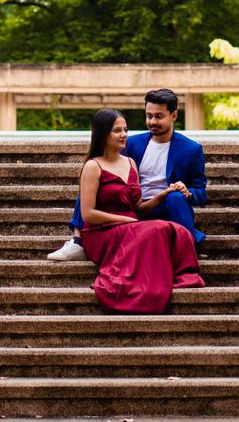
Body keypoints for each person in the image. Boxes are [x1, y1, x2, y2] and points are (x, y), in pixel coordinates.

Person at [48, 88, 208, 261]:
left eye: (159, 116)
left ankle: (186, 247)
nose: (152, 121)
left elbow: (200, 192)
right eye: (149, 115)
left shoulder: (191, 149)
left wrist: (187, 192)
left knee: (175, 198)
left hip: (166, 206)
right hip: (132, 207)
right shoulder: (132, 143)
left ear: (174, 115)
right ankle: (77, 240)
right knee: (95, 178)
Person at [77, 108, 204, 313]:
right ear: (103, 134)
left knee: (175, 229)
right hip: (102, 233)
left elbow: (138, 208)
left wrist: (165, 193)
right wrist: (124, 220)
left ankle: (182, 276)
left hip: (131, 228)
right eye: (117, 131)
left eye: (125, 129)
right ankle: (144, 290)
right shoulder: (93, 166)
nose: (124, 135)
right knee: (158, 229)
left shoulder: (130, 163)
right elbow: (88, 214)